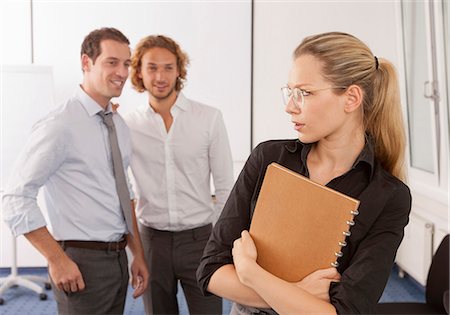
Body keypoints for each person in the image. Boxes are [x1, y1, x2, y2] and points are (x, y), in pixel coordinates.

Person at [196, 31, 412, 314]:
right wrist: (297, 295)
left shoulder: (388, 195)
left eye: (305, 93)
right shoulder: (268, 159)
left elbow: (345, 311)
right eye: (290, 91)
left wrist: (251, 273)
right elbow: (211, 272)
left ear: (351, 98)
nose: (289, 106)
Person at [2, 27, 149, 314]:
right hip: (80, 262)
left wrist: (137, 254)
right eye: (112, 62)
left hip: (117, 258)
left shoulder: (117, 123)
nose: (122, 72)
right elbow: (15, 197)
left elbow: (124, 192)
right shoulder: (60, 125)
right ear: (86, 63)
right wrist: (56, 259)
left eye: (127, 63)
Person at [124, 34, 234, 314]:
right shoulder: (126, 124)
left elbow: (224, 187)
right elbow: (123, 190)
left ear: (179, 71)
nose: (160, 76)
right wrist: (134, 249)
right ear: (139, 71)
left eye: (168, 67)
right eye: (152, 67)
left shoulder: (208, 118)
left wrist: (216, 240)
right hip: (152, 242)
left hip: (200, 240)